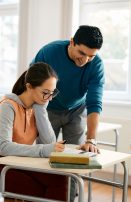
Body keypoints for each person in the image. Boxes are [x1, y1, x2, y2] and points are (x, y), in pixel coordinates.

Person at [32, 25, 104, 201]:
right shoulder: (48, 53)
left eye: (91, 56)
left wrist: (91, 139)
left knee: (74, 163)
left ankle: (70, 198)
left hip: (76, 110)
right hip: (47, 108)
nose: (85, 60)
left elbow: (94, 103)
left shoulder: (96, 65)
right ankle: (40, 197)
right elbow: (32, 84)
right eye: (81, 53)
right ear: (72, 42)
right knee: (45, 155)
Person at [0, 62, 68, 201]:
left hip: (20, 163)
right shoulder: (7, 107)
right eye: (45, 93)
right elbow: (4, 147)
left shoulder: (36, 108)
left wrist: (41, 109)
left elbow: (49, 143)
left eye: (52, 93)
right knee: (38, 190)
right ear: (29, 86)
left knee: (60, 179)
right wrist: (43, 150)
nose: (50, 98)